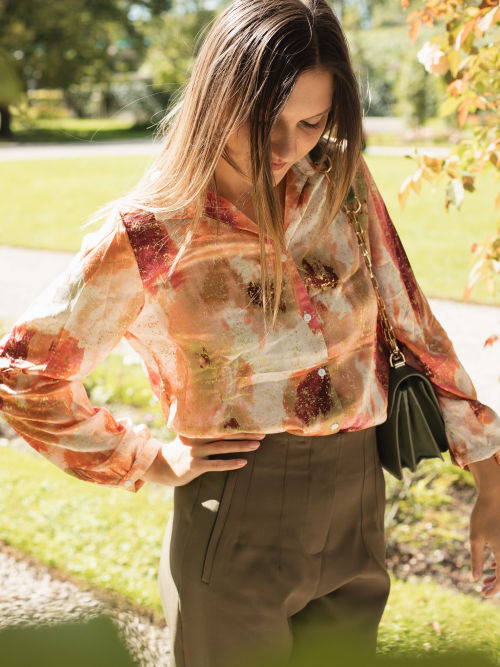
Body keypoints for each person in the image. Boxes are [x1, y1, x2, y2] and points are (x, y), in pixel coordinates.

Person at [1, 1, 499, 665]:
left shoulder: (342, 184)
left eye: (311, 122)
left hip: (357, 509)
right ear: (219, 95)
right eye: (266, 117)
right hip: (236, 511)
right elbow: (27, 374)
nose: (286, 146)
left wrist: (491, 479)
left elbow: (417, 329)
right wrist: (146, 459)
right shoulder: (153, 230)